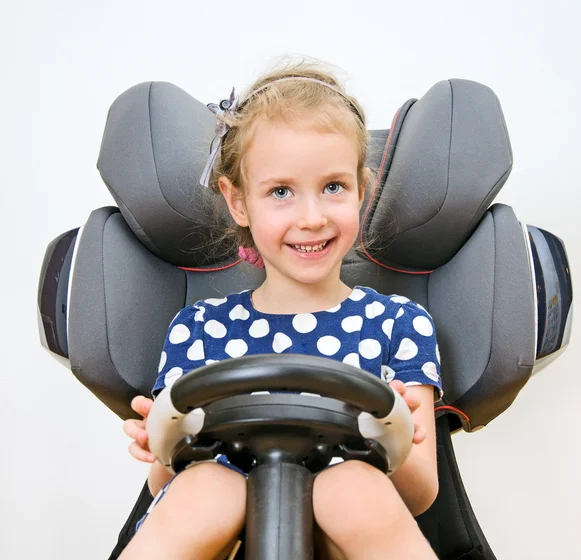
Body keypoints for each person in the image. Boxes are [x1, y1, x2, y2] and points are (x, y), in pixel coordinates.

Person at [121, 59, 443, 560]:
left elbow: (422, 494)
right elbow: (165, 479)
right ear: (239, 201)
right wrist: (160, 442)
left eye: (333, 187)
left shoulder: (399, 323)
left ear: (362, 189)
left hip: (345, 539)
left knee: (351, 487)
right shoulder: (199, 329)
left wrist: (389, 431)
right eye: (281, 192)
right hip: (222, 537)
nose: (311, 218)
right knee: (208, 487)